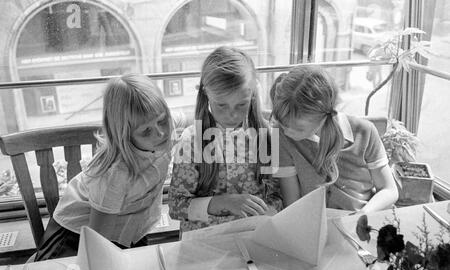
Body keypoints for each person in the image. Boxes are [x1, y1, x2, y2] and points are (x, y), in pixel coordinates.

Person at [34, 74, 174, 261]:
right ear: (125, 135)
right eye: (146, 131)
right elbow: (98, 246)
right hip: (76, 238)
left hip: (127, 230)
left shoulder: (161, 131)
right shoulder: (115, 176)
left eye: (163, 120)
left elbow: (188, 120)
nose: (161, 133)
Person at [168, 46, 283, 232]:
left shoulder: (267, 137)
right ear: (206, 96)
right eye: (221, 105)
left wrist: (267, 212)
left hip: (252, 238)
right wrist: (224, 202)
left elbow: (277, 196)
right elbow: (175, 206)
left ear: (252, 95)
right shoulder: (191, 141)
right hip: (204, 245)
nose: (232, 114)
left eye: (241, 104)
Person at [270, 65, 398, 214]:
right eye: (282, 122)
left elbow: (389, 190)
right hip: (314, 224)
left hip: (363, 220)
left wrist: (363, 214)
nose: (287, 131)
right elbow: (292, 204)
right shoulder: (280, 136)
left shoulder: (365, 132)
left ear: (323, 117)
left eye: (298, 128)